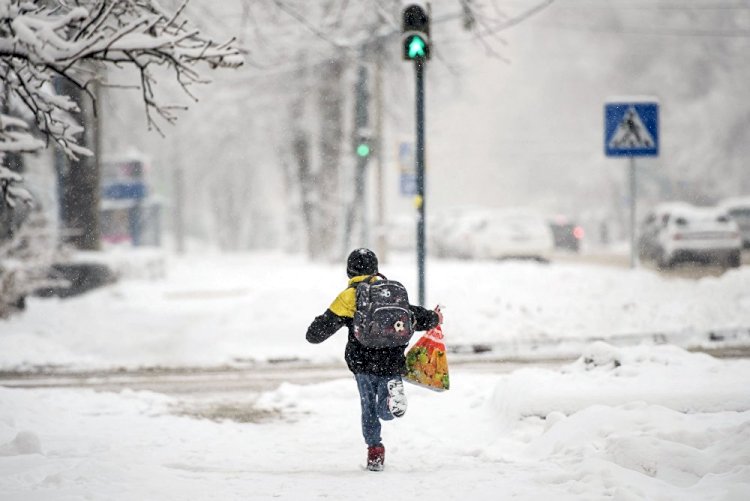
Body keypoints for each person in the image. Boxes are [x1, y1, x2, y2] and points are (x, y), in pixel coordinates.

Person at [306, 248, 442, 471]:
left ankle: (375, 451)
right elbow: (414, 315)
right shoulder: (392, 292)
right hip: (392, 359)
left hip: (363, 362)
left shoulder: (349, 296)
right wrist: (435, 317)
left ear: (349, 271)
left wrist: (318, 325)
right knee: (385, 410)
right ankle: (391, 397)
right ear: (376, 268)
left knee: (368, 408)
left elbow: (316, 334)